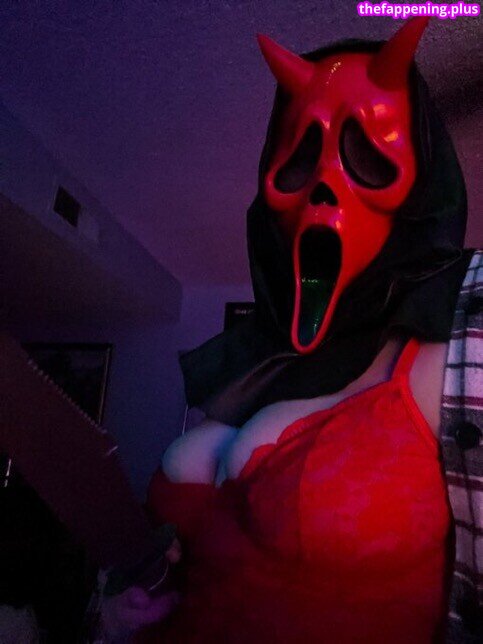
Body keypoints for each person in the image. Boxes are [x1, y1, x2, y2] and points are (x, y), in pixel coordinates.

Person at [102, 17, 482, 643]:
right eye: (301, 157)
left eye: (368, 156)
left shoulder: (449, 356)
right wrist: (128, 610)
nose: (324, 186)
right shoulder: (253, 365)